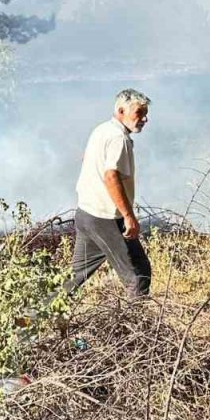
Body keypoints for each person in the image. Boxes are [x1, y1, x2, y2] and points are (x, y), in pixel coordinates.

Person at [68, 89, 152, 297]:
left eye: (145, 113)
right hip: (106, 219)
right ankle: (138, 328)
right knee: (138, 277)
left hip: (86, 214)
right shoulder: (118, 138)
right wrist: (128, 216)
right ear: (121, 110)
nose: (144, 119)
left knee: (73, 278)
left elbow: (87, 160)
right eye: (139, 113)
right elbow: (110, 176)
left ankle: (28, 320)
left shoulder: (102, 130)